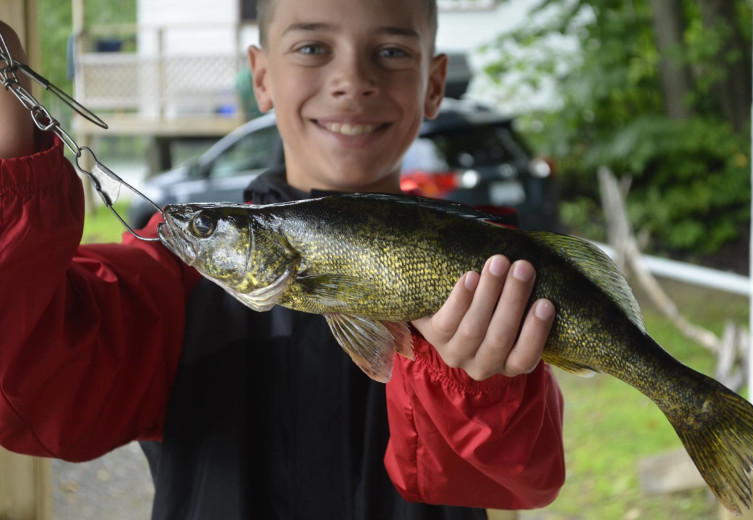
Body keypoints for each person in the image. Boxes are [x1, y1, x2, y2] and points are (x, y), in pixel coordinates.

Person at [0, 0, 565, 518]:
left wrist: (480, 381)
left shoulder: (484, 278)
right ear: (262, 76)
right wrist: (9, 154)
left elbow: (522, 480)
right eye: (313, 48)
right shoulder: (175, 275)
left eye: (391, 51)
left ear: (434, 84)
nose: (352, 81)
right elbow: (37, 381)